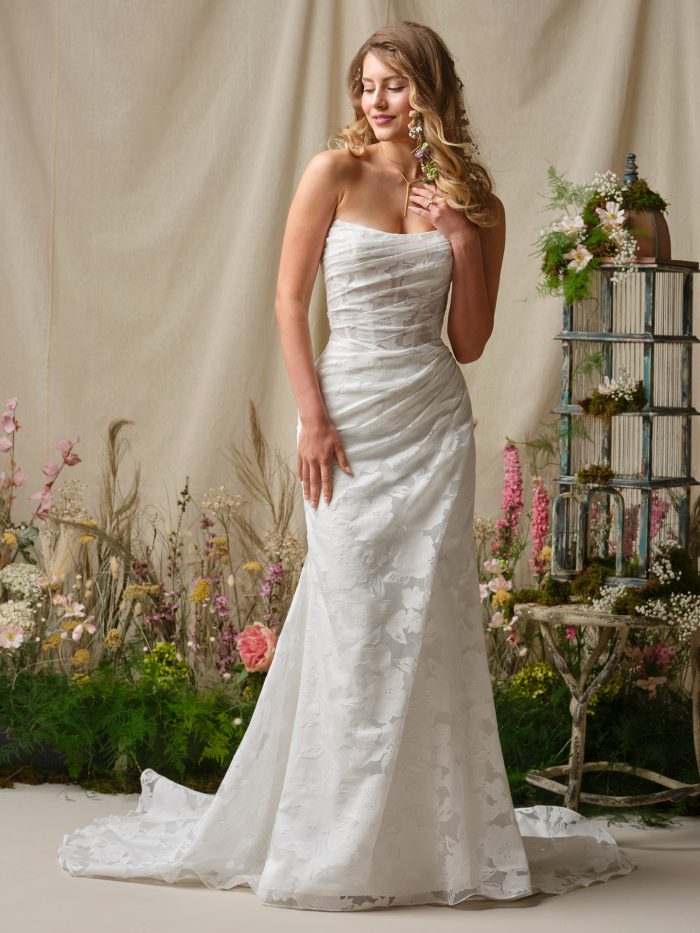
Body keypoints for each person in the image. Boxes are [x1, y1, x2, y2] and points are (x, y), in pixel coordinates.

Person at [57, 21, 636, 911]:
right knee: (355, 612)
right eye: (367, 85)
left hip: (434, 421)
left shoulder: (472, 193)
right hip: (351, 415)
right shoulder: (332, 172)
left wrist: (461, 240)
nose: (376, 101)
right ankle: (332, 834)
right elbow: (289, 300)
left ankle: (431, 842)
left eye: (395, 85)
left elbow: (471, 342)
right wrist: (312, 419)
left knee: (430, 622)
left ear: (433, 91)